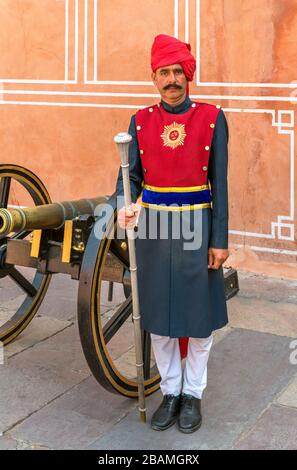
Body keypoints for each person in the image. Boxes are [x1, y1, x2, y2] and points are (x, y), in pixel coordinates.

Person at [116, 34, 229, 433]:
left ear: (188, 75)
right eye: (164, 72)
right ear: (154, 78)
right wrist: (124, 206)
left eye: (178, 71)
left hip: (197, 228)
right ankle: (171, 392)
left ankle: (193, 395)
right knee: (160, 319)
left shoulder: (212, 118)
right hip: (154, 231)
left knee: (198, 320)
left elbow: (221, 183)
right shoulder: (140, 120)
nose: (171, 79)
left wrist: (220, 240)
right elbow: (128, 177)